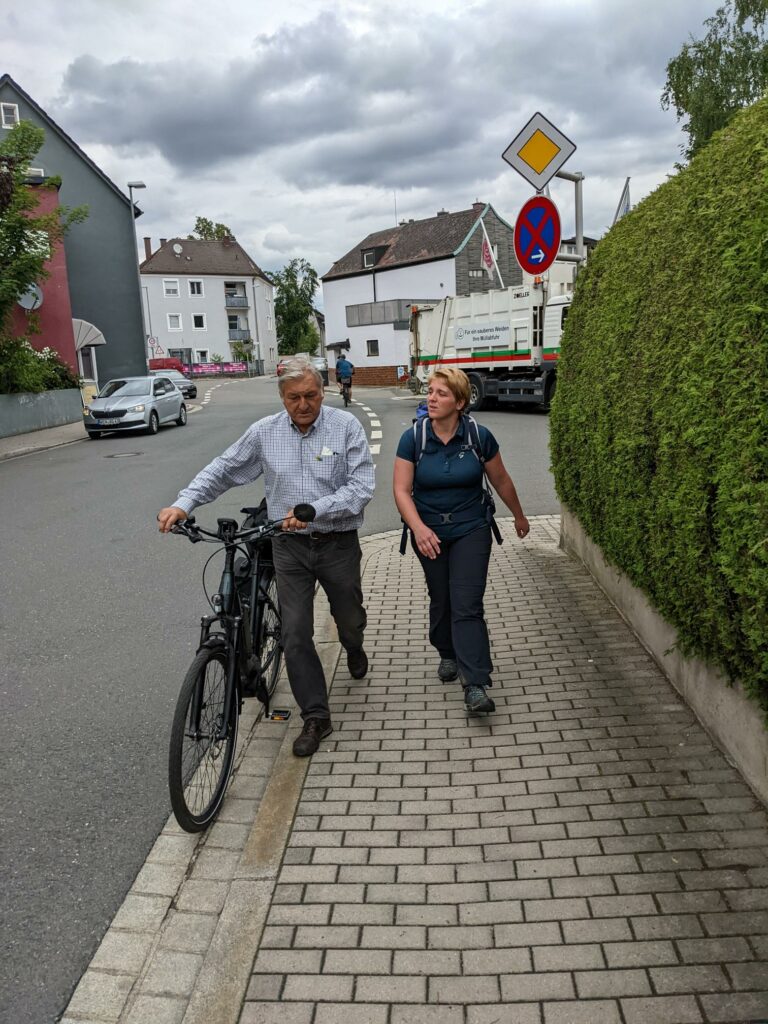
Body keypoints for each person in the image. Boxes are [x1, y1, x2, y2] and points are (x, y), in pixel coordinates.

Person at [157, 357, 375, 757]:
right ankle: (315, 715)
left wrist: (315, 509)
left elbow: (361, 487)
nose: (304, 404)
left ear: (322, 391)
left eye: (311, 395)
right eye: (294, 397)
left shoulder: (346, 428)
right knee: (294, 634)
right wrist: (183, 503)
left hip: (337, 542)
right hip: (287, 547)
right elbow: (223, 469)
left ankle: (354, 644)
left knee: (349, 617)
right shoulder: (264, 433)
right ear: (282, 397)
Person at [393, 368, 530, 714]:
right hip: (430, 532)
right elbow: (401, 490)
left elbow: (500, 480)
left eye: (441, 393)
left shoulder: (478, 437)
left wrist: (519, 515)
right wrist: (419, 529)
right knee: (442, 599)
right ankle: (446, 651)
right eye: (430, 392)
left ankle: (476, 683)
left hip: (472, 528)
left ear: (460, 401)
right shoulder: (414, 438)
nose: (431, 398)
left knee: (467, 603)